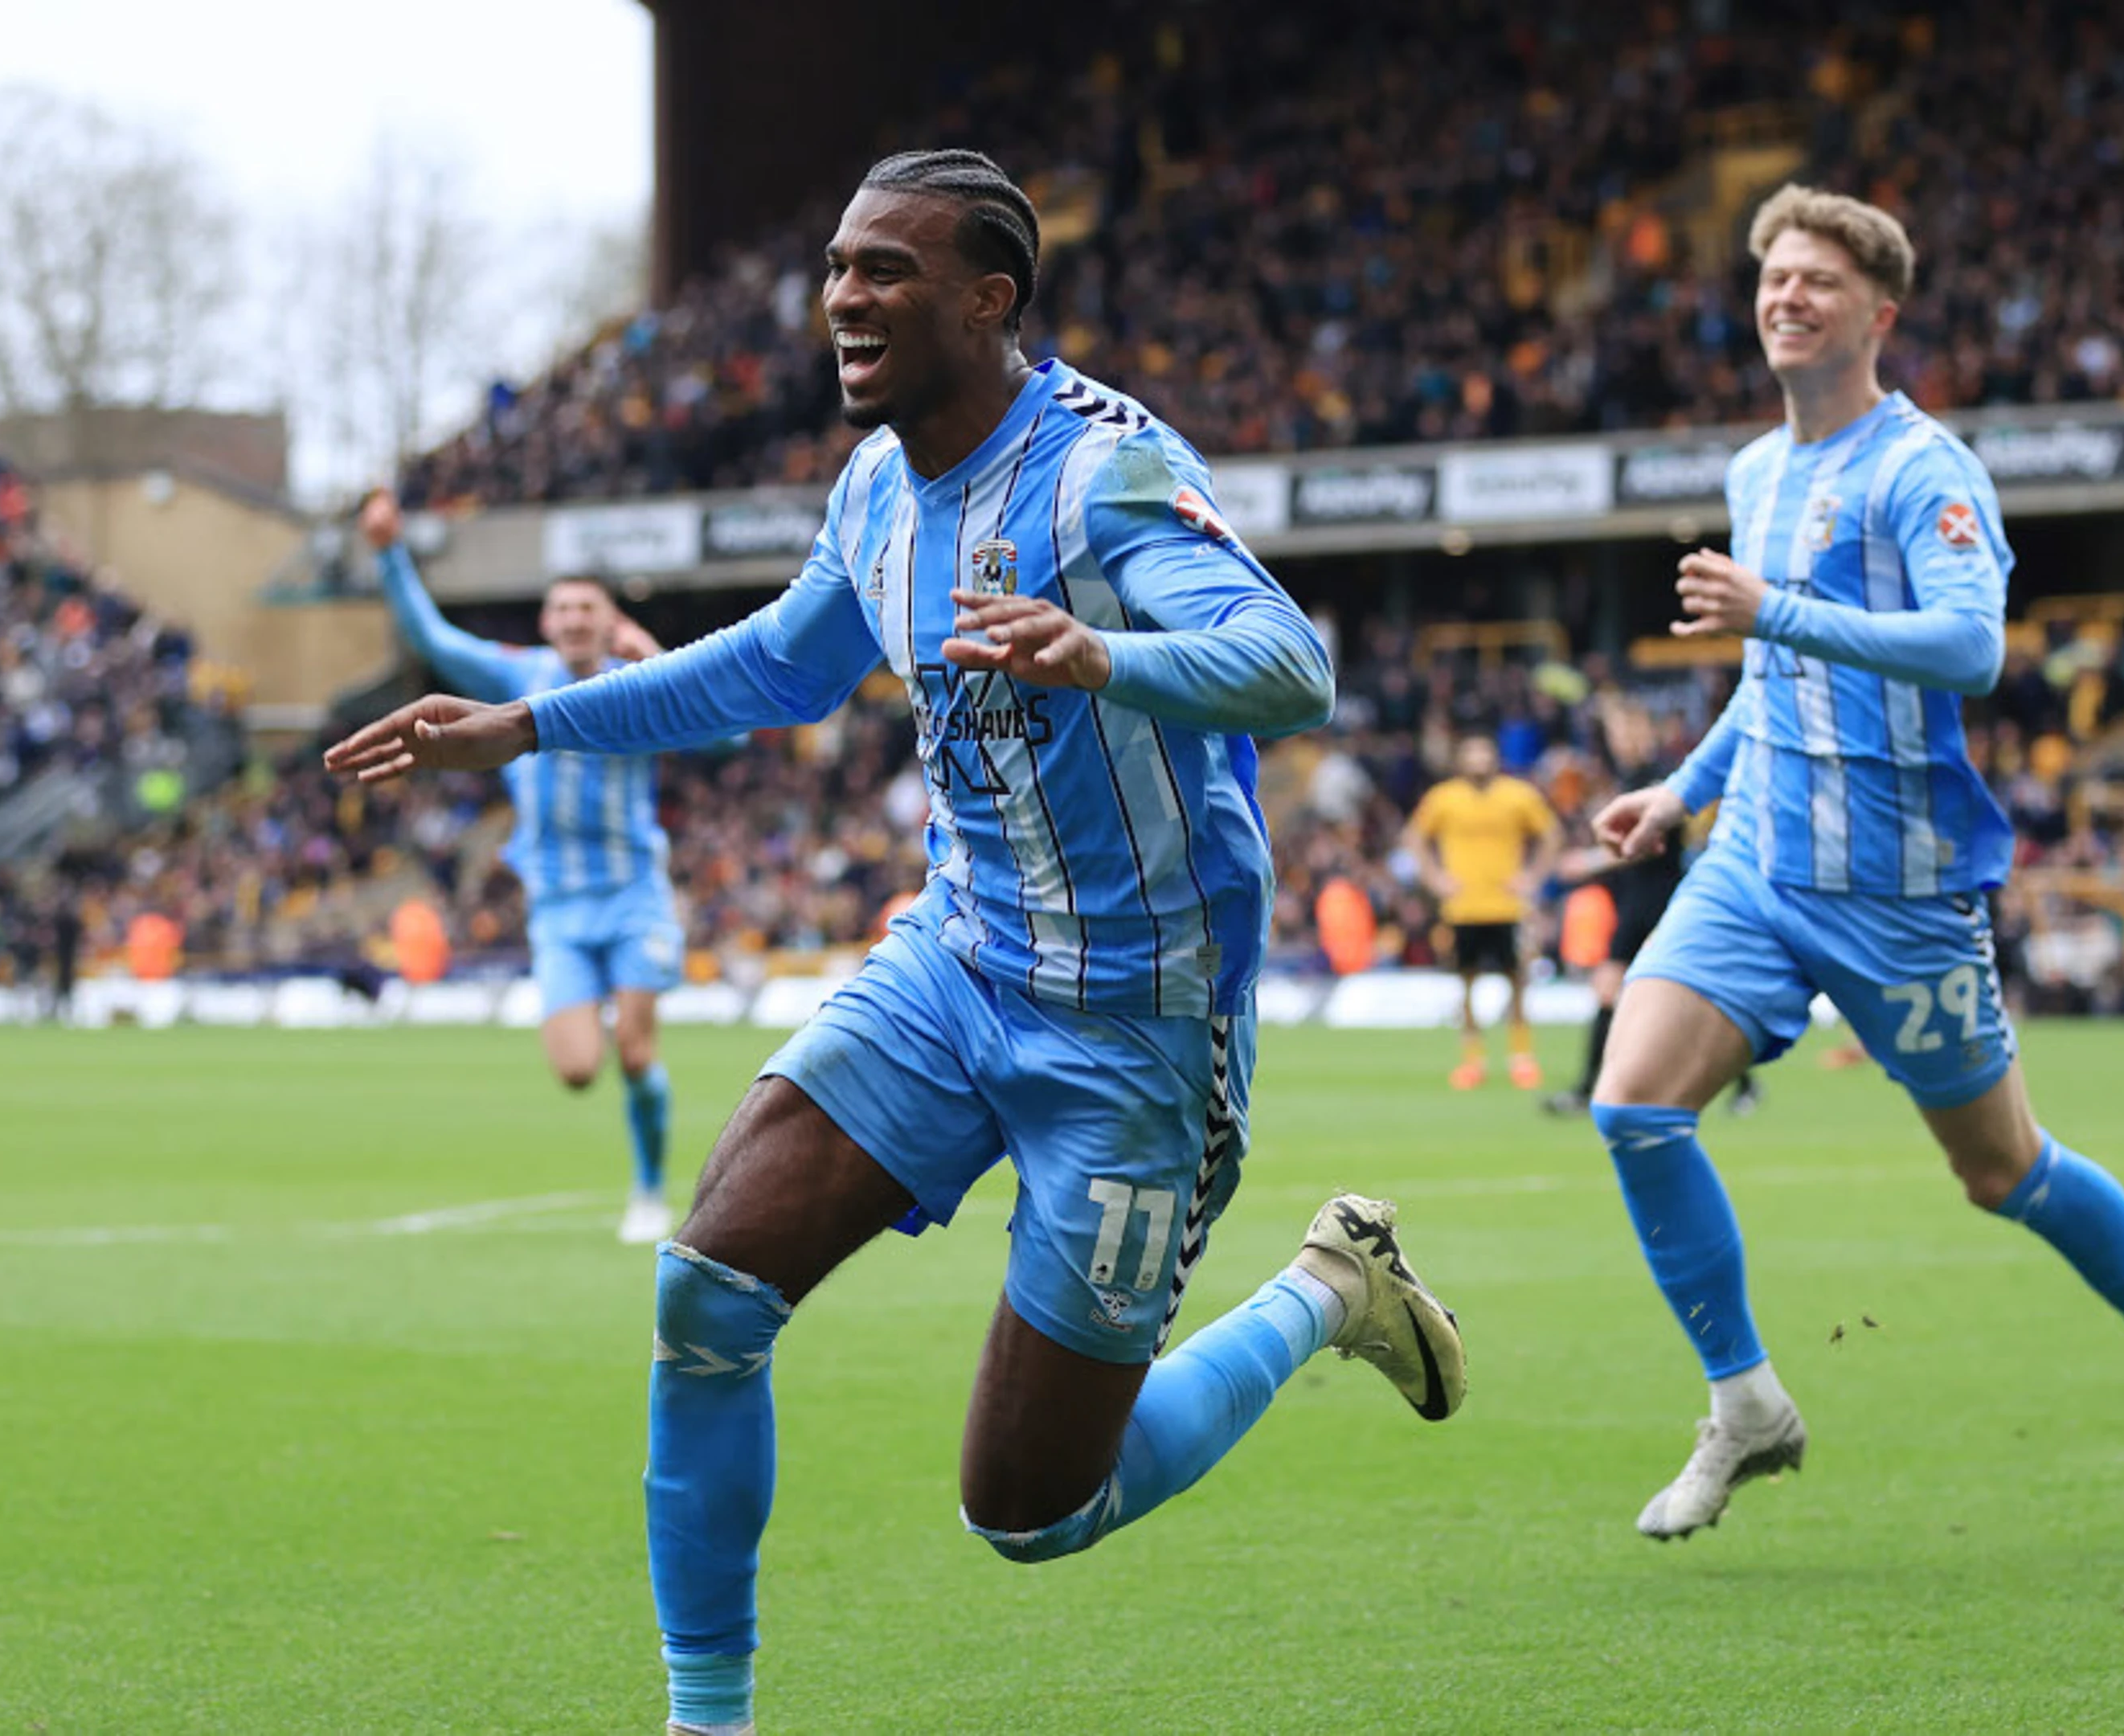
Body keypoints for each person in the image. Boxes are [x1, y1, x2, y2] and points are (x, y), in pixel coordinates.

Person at [329, 149, 1467, 1736]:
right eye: (838, 269)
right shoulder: (875, 489)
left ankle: (1327, 1294)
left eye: (887, 273)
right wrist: (526, 726)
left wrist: (1106, 653)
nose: (844, 300)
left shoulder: (1103, 471)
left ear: (990, 303)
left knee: (1033, 1512)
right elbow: (778, 670)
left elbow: (1286, 665)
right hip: (954, 968)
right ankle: (706, 1719)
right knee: (709, 1291)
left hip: (1134, 1032)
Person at [1584, 184, 2124, 1542]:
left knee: (2003, 1171)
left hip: (1899, 894)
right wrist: (1681, 789)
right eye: (1773, 276)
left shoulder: (1923, 469)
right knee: (1633, 1107)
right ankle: (1749, 1404)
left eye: (1817, 280)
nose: (1787, 296)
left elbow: (1971, 650)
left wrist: (1779, 606)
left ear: (1878, 312)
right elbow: (1772, 681)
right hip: (1759, 862)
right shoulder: (1755, 472)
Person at [366, 491, 686, 1245]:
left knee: (636, 1052)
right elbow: (431, 637)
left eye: (588, 609)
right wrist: (389, 552)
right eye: (564, 609)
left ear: (611, 621)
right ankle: (612, 1024)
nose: (575, 620)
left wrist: (663, 666)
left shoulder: (644, 678)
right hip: (560, 908)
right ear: (547, 622)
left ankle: (649, 1190)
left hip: (634, 894)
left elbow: (730, 738)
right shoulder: (520, 675)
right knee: (578, 1069)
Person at [1541, 808, 1762, 1119]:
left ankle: (1744, 1082)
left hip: (1666, 902)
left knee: (1696, 998)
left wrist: (1590, 861)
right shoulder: (1629, 780)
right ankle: (1587, 1087)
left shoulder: (1660, 783)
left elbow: (1649, 840)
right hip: (1632, 907)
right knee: (1607, 990)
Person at [1402, 735, 1557, 1089]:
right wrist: (1435, 878)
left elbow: (1551, 835)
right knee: (1466, 983)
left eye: (1484, 754)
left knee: (1517, 981)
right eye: (1472, 753)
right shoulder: (1444, 798)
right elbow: (1414, 837)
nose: (1479, 760)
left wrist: (1532, 877)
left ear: (1495, 758)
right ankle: (1472, 1060)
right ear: (1461, 760)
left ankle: (1521, 1056)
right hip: (1463, 908)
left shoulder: (1518, 795)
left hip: (1507, 905)